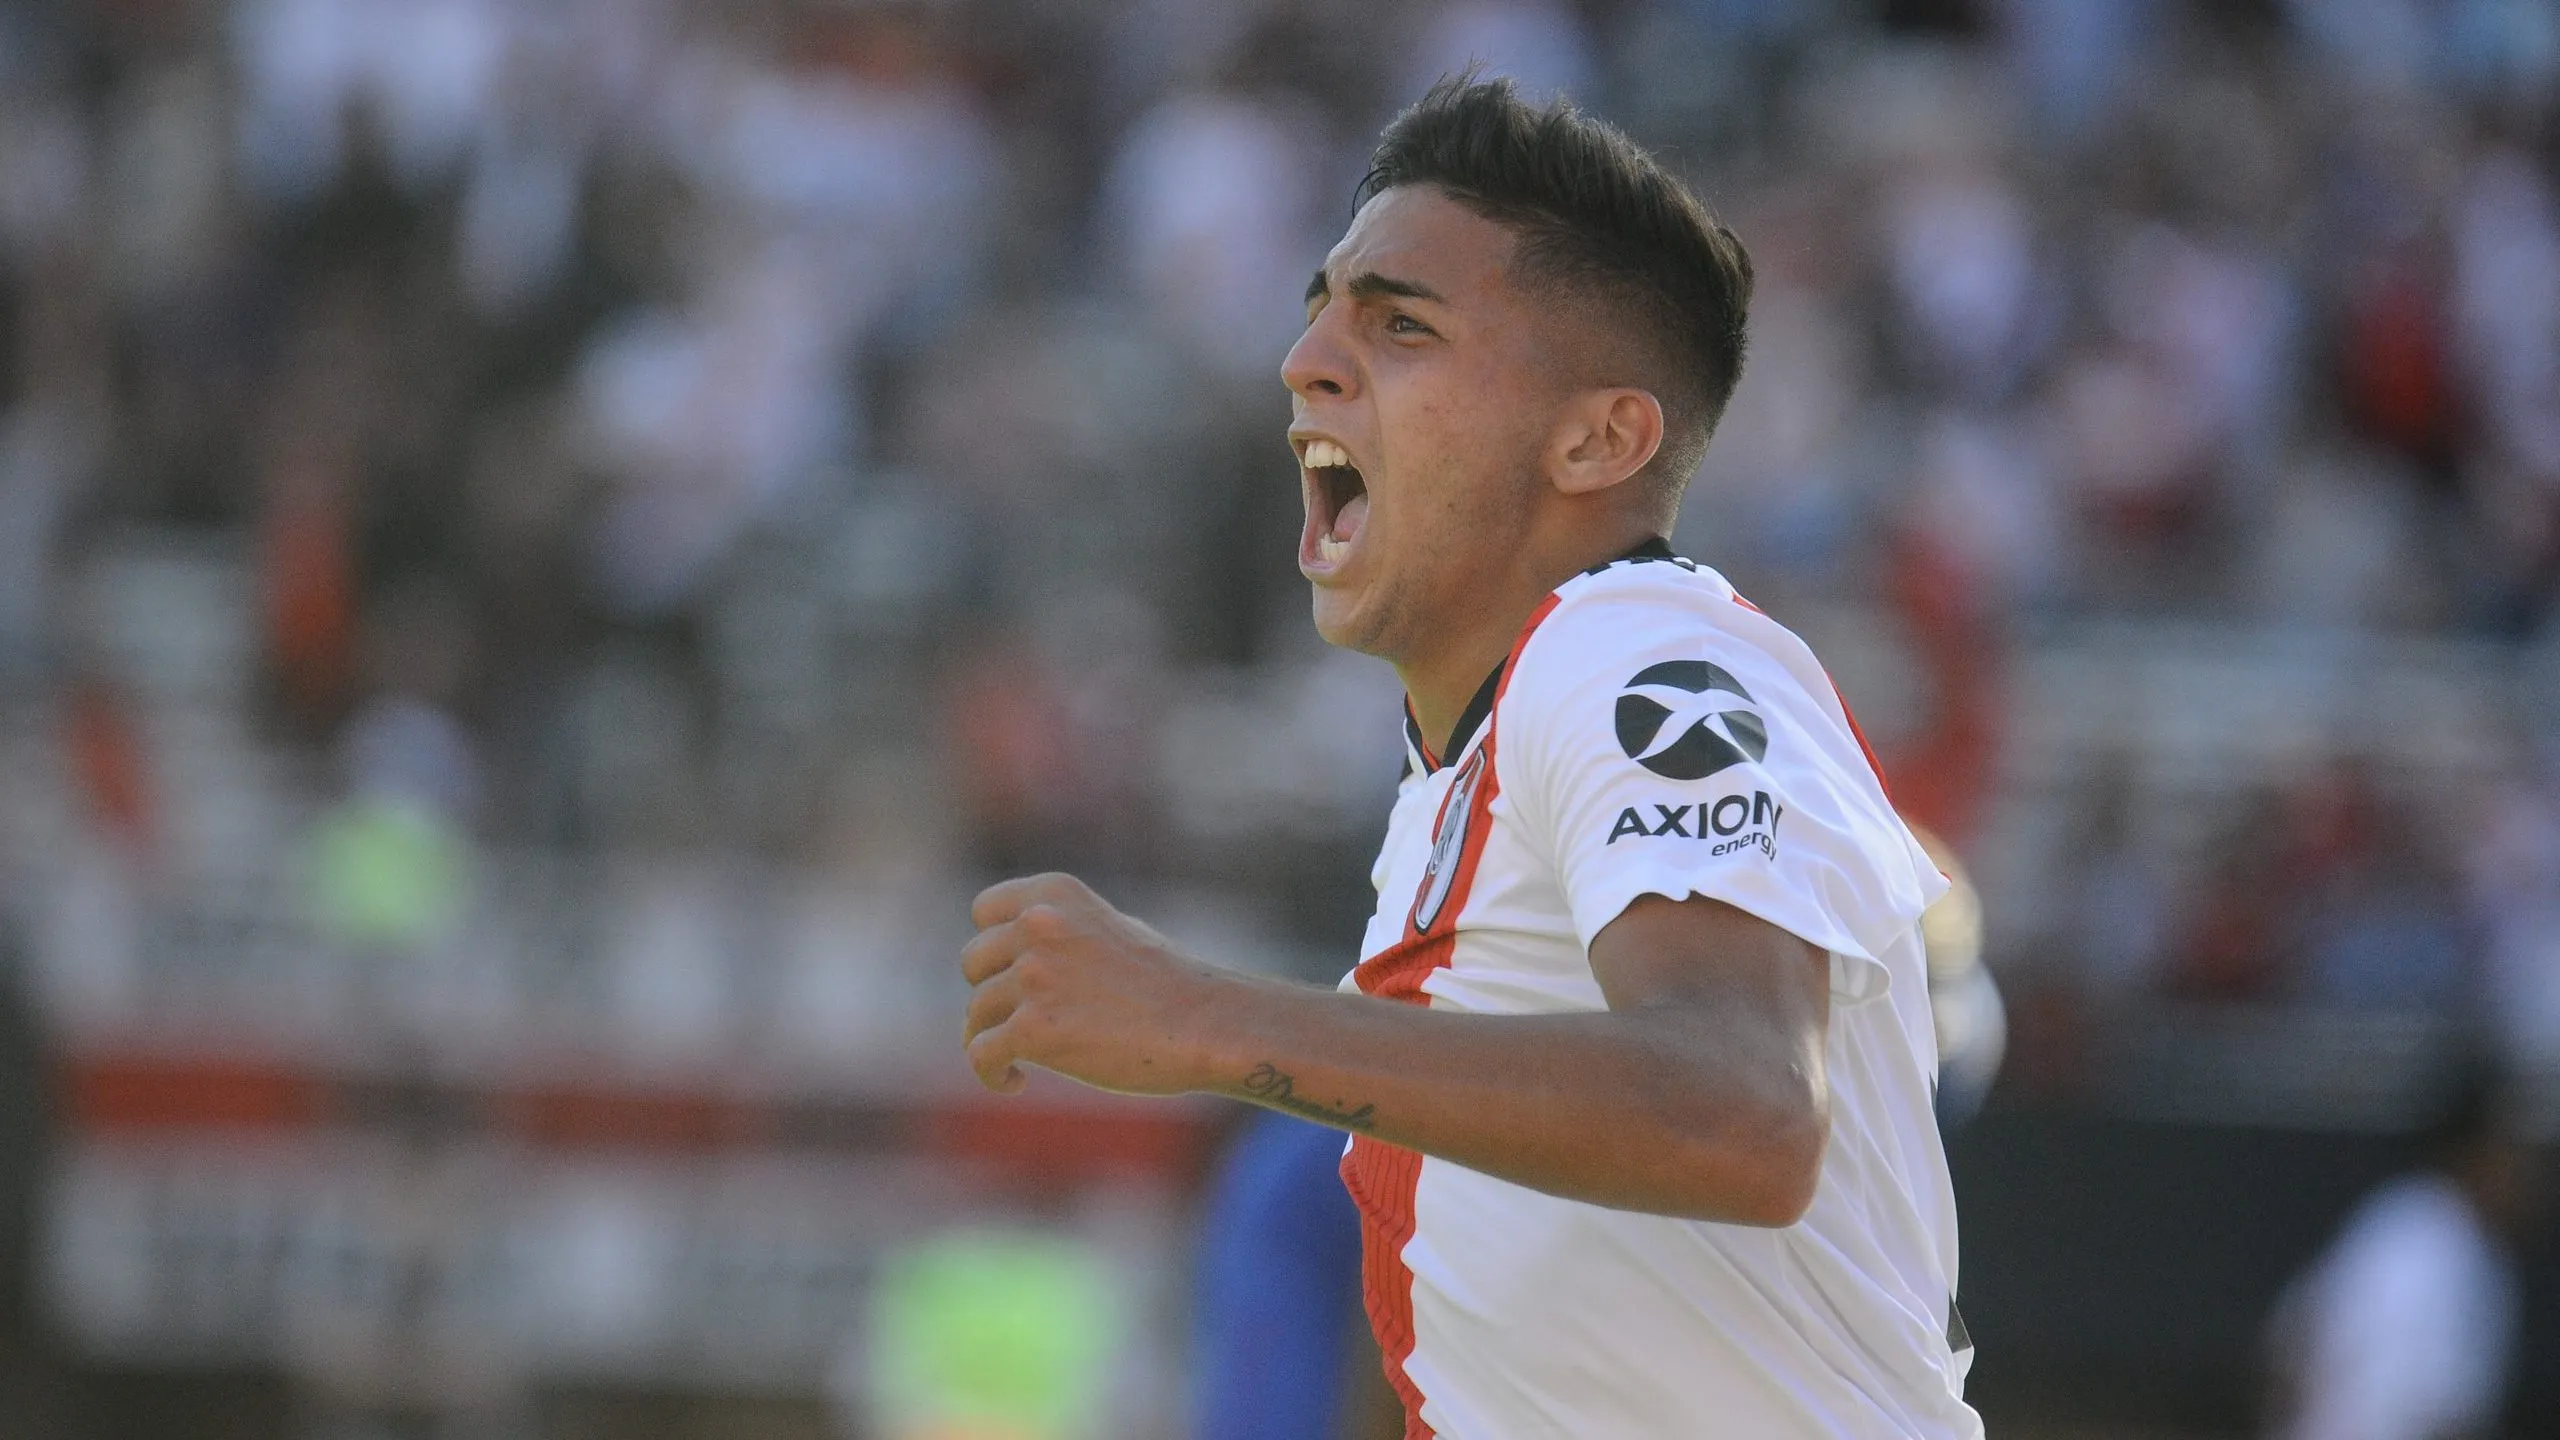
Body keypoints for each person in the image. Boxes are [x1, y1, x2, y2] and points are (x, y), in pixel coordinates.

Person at [958, 77, 1982, 1437]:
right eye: (1321, 306)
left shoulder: (1632, 652)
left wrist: (1202, 1016)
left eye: (1401, 324)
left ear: (1599, 438)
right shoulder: (1473, 760)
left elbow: (1742, 1113)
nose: (1306, 358)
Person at [2265, 1059, 2544, 1440]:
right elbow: (2441, 1418)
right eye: (2515, 1152)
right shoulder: (2453, 1254)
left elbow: (2289, 1353)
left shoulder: (2397, 1218)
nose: (2530, 1174)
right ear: (2475, 1152)